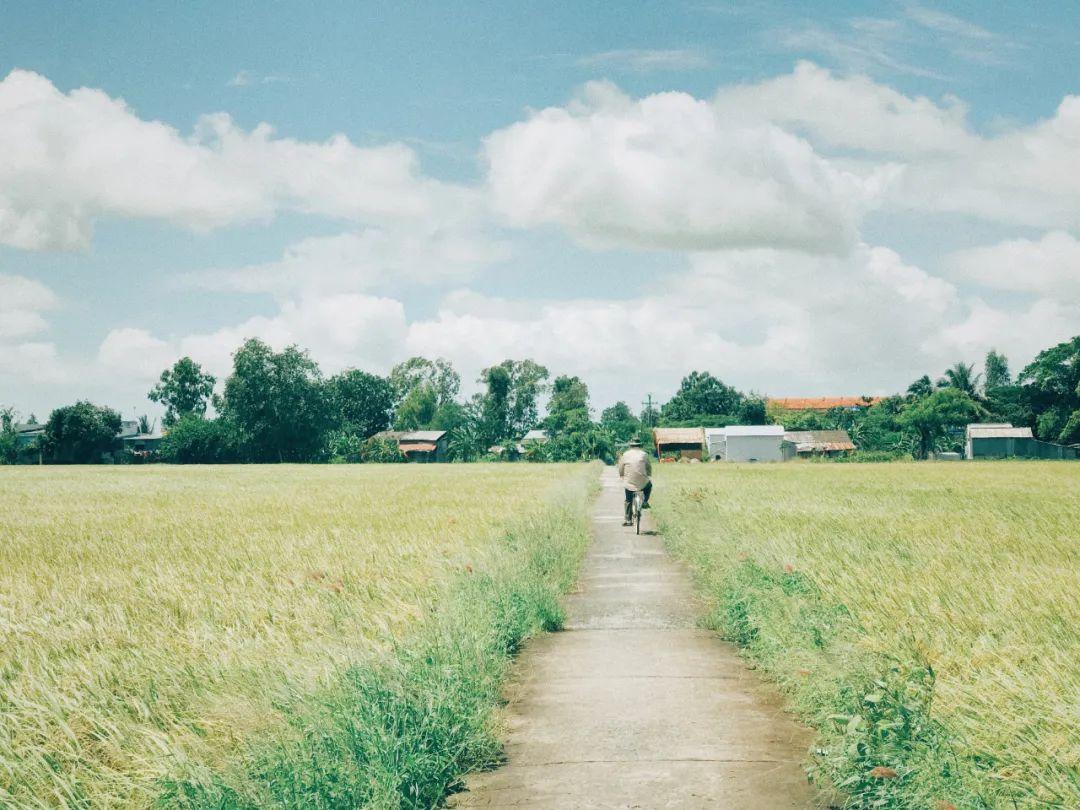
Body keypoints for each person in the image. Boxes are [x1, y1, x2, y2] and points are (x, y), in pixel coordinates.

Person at [617, 438, 652, 526]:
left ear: (630, 445)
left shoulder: (625, 454)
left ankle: (628, 519)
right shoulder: (644, 454)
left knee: (628, 499)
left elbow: (621, 467)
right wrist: (648, 474)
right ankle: (645, 501)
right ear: (640, 445)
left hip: (629, 481)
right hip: (642, 481)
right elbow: (648, 466)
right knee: (649, 485)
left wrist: (621, 475)